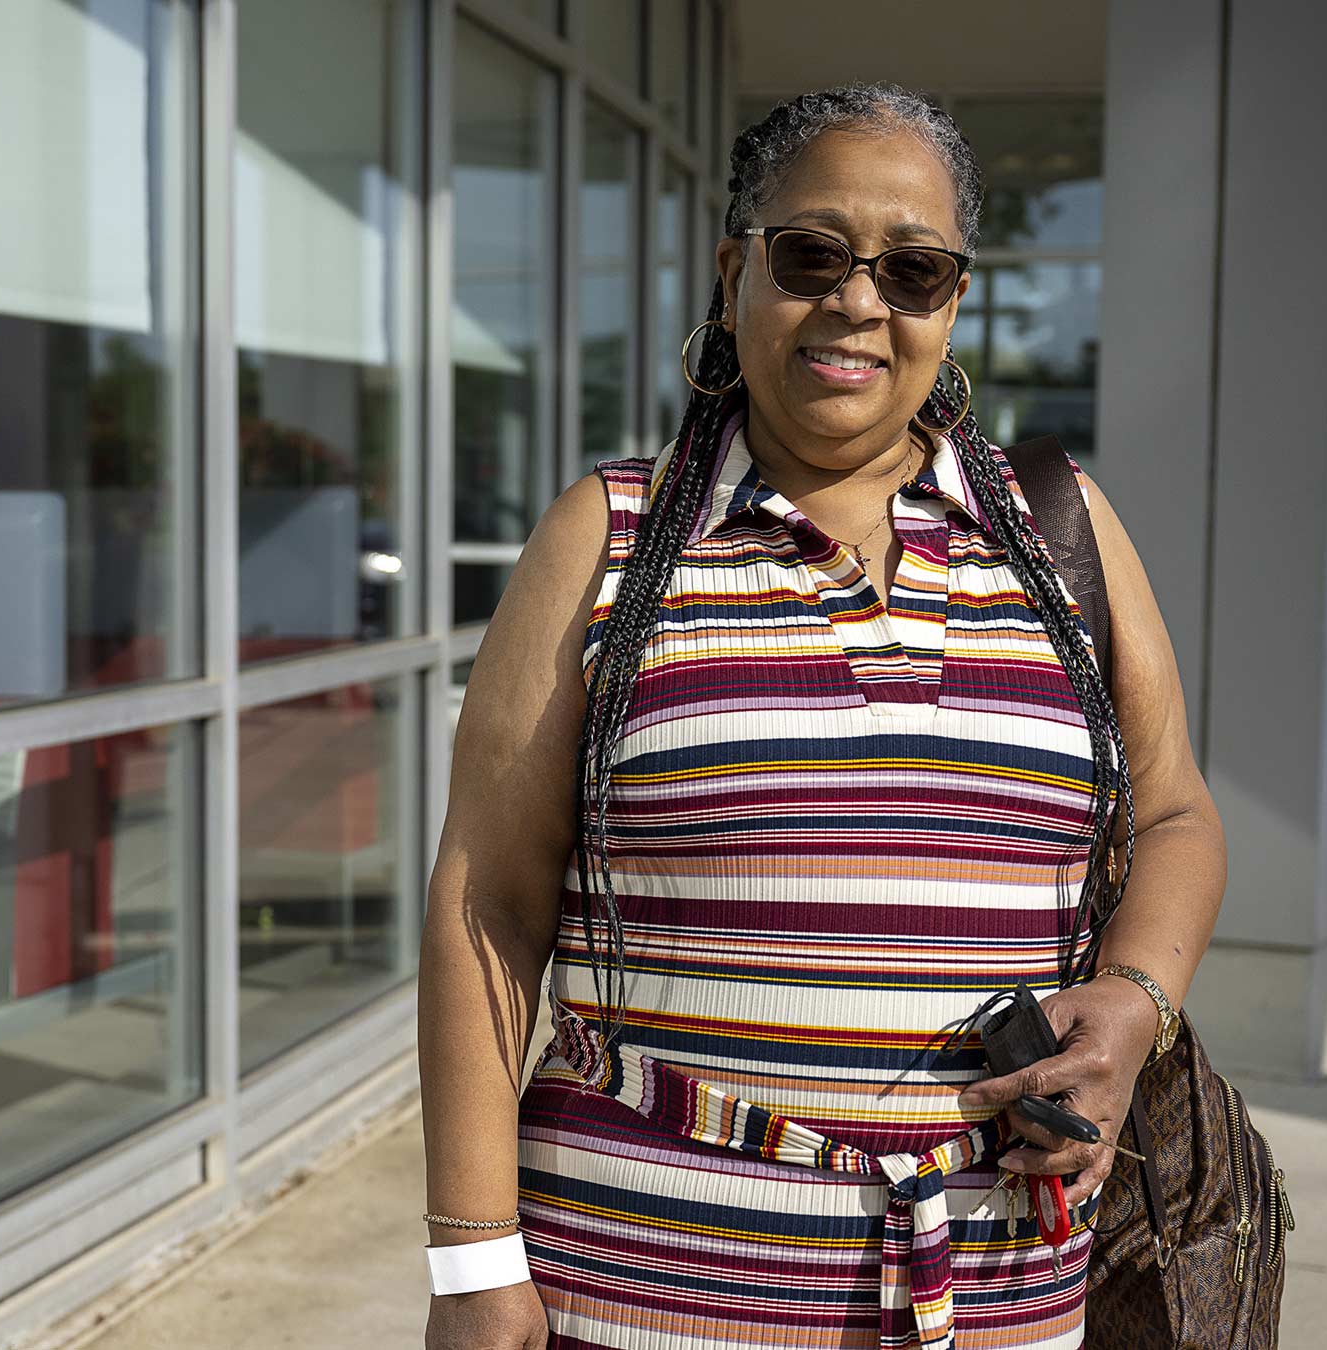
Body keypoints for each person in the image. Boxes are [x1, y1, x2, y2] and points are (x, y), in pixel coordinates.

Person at [417, 83, 1227, 1350]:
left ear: (952, 303)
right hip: (642, 1287)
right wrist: (473, 1263)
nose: (858, 301)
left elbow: (1176, 810)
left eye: (913, 270)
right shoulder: (612, 535)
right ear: (736, 270)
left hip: (997, 1288)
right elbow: (490, 898)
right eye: (812, 255)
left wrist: (1132, 997)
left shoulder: (1060, 532)